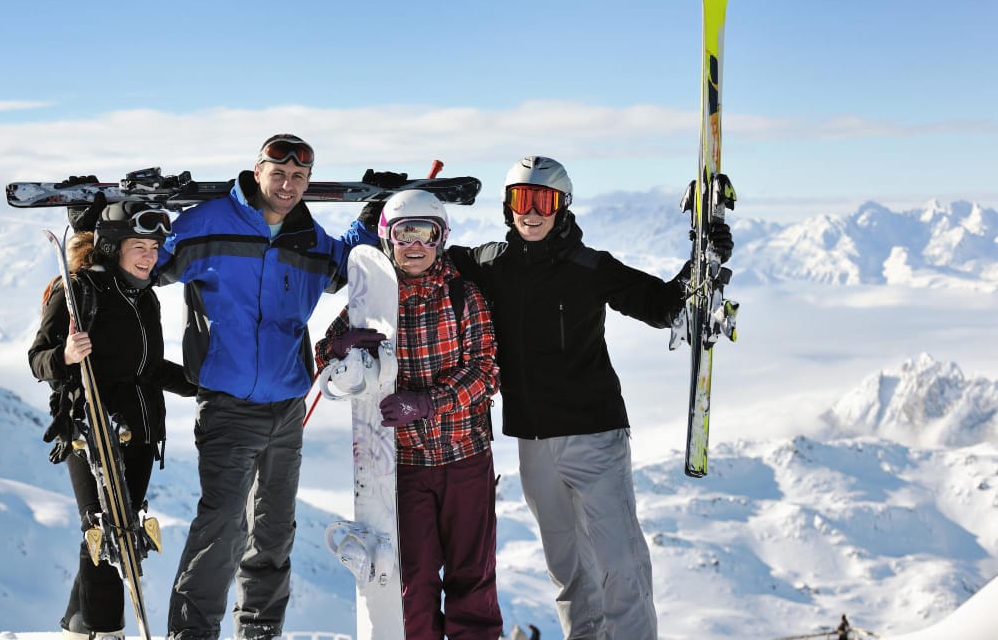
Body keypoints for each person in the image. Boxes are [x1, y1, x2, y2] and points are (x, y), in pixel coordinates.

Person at [447, 156, 734, 640]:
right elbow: (421, 255)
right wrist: (383, 220)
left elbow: (661, 305)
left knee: (619, 563)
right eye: (522, 200)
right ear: (507, 206)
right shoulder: (491, 264)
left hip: (594, 435)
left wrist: (705, 261)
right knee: (568, 569)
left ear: (562, 206)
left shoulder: (589, 266)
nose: (532, 212)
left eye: (544, 201)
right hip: (533, 443)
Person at [156, 134, 379, 640]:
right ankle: (192, 634)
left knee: (275, 530)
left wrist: (372, 220)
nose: (288, 184)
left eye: (299, 177)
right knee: (222, 527)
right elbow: (148, 263)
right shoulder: (207, 223)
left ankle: (259, 630)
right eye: (278, 173)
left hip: (287, 408)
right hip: (228, 406)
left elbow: (345, 266)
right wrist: (104, 233)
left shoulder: (308, 237)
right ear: (257, 171)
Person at [315, 190, 503, 640]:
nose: (415, 246)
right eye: (405, 234)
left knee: (472, 579)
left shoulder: (463, 295)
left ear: (441, 239)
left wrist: (427, 403)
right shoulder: (373, 298)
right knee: (411, 586)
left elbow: (487, 369)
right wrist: (338, 349)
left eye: (426, 234)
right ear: (388, 238)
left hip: (465, 458)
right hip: (405, 468)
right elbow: (324, 353)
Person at [28, 203, 196, 640]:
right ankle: (106, 630)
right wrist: (65, 356)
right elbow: (38, 360)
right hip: (90, 427)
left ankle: (79, 626)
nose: (148, 256)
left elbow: (149, 367)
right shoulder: (79, 290)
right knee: (105, 529)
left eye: (154, 247)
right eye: (137, 246)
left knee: (120, 532)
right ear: (112, 247)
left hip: (140, 430)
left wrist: (202, 384)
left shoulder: (146, 296)